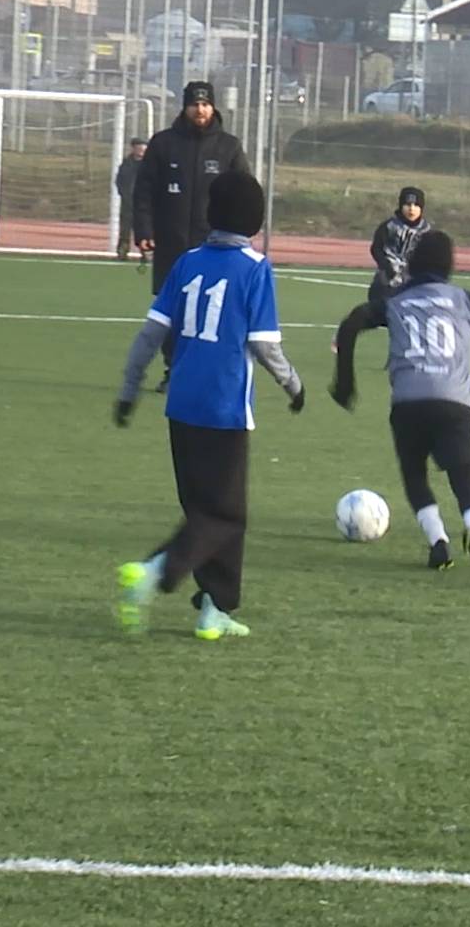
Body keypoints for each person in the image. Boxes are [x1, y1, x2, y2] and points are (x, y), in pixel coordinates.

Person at [114, 171, 306, 641]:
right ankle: (155, 571)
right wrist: (294, 385)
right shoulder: (255, 268)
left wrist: (129, 389)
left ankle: (215, 609)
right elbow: (265, 346)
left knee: (206, 511)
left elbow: (150, 335)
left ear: (210, 213)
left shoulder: (187, 262)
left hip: (181, 405)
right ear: (256, 219)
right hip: (224, 409)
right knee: (225, 516)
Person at [330, 230, 470, 587]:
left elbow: (351, 324)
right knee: (465, 474)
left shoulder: (395, 299)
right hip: (454, 400)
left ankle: (438, 541)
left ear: (412, 263)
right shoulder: (464, 299)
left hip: (408, 401)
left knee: (415, 474)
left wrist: (345, 382)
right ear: (449, 265)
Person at [132, 82, 249, 393]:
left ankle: (207, 373)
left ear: (214, 107)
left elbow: (244, 194)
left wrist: (240, 234)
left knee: (212, 312)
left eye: (206, 104)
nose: (200, 110)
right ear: (185, 107)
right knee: (172, 311)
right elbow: (143, 192)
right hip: (171, 245)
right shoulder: (163, 143)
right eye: (195, 104)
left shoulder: (229, 147)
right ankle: (175, 371)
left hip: (215, 248)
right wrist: (144, 230)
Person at [369, 185, 431, 307]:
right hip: (388, 279)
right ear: (401, 205)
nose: (411, 209)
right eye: (407, 205)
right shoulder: (389, 226)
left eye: (416, 205)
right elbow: (376, 248)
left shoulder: (426, 231)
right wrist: (386, 265)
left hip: (413, 281)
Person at [114, 137, 148, 263]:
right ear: (133, 149)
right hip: (128, 203)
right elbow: (120, 181)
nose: (141, 151)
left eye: (143, 149)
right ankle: (122, 252)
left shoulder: (149, 165)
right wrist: (125, 195)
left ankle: (146, 253)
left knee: (145, 229)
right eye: (138, 148)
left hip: (144, 204)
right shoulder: (126, 165)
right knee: (125, 229)